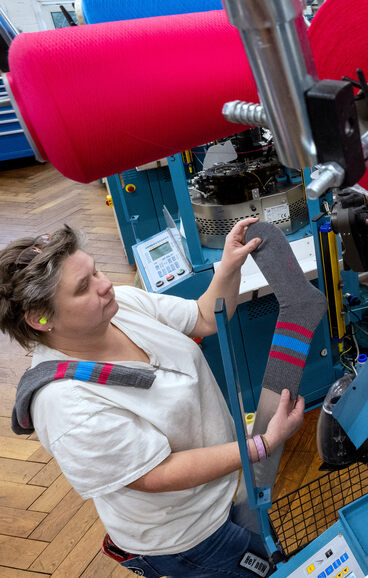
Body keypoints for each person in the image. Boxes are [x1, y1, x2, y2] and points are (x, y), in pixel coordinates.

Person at [0, 218, 305, 577]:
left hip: (227, 489)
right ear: (41, 318)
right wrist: (263, 444)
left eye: (96, 271)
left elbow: (204, 317)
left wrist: (228, 267)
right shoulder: (66, 405)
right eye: (84, 287)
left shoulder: (121, 307)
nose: (104, 285)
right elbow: (156, 473)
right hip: (189, 536)